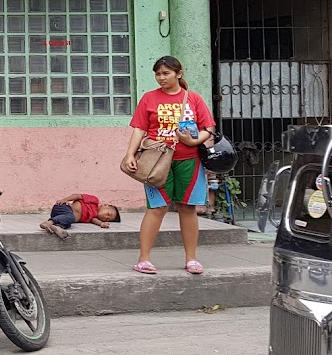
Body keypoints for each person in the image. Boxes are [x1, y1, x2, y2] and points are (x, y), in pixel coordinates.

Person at [124, 56, 215, 275]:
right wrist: (130, 154)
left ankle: (191, 259)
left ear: (178, 74)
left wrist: (194, 141)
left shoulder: (193, 98)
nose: (161, 78)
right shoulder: (149, 98)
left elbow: (208, 127)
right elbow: (139, 128)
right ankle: (144, 259)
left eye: (166, 73)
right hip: (156, 162)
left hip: (189, 161)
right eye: (158, 74)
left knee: (187, 208)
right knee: (156, 208)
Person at [39, 193, 120, 240]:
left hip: (63, 218)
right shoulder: (94, 201)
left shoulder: (94, 216)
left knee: (68, 223)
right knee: (70, 218)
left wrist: (102, 224)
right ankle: (48, 223)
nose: (106, 217)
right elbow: (77, 196)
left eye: (108, 219)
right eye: (108, 213)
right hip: (64, 207)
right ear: (105, 205)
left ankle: (57, 227)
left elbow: (95, 220)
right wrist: (65, 200)